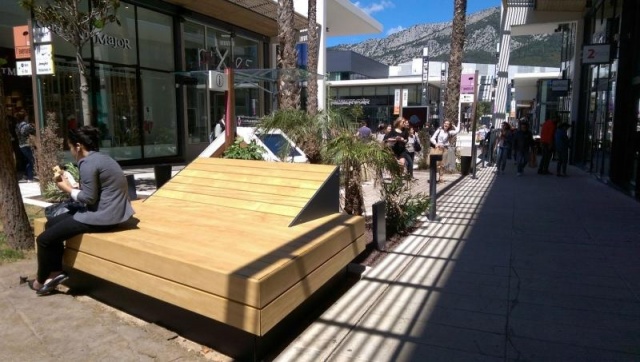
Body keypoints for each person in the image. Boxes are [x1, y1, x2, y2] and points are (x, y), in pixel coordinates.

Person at [28, 126, 135, 296]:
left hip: (102, 217)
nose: (70, 151)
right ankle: (55, 272)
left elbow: (89, 199)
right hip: (114, 212)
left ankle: (40, 281)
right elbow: (96, 190)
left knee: (43, 240)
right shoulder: (102, 158)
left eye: (70, 147)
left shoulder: (87, 163)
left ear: (78, 146)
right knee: (51, 224)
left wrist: (66, 188)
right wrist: (73, 186)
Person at [15, 111, 36, 182]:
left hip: (21, 145)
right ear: (24, 117)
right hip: (27, 145)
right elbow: (34, 130)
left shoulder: (17, 125)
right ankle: (30, 177)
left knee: (27, 160)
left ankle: (26, 175)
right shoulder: (26, 125)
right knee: (32, 160)